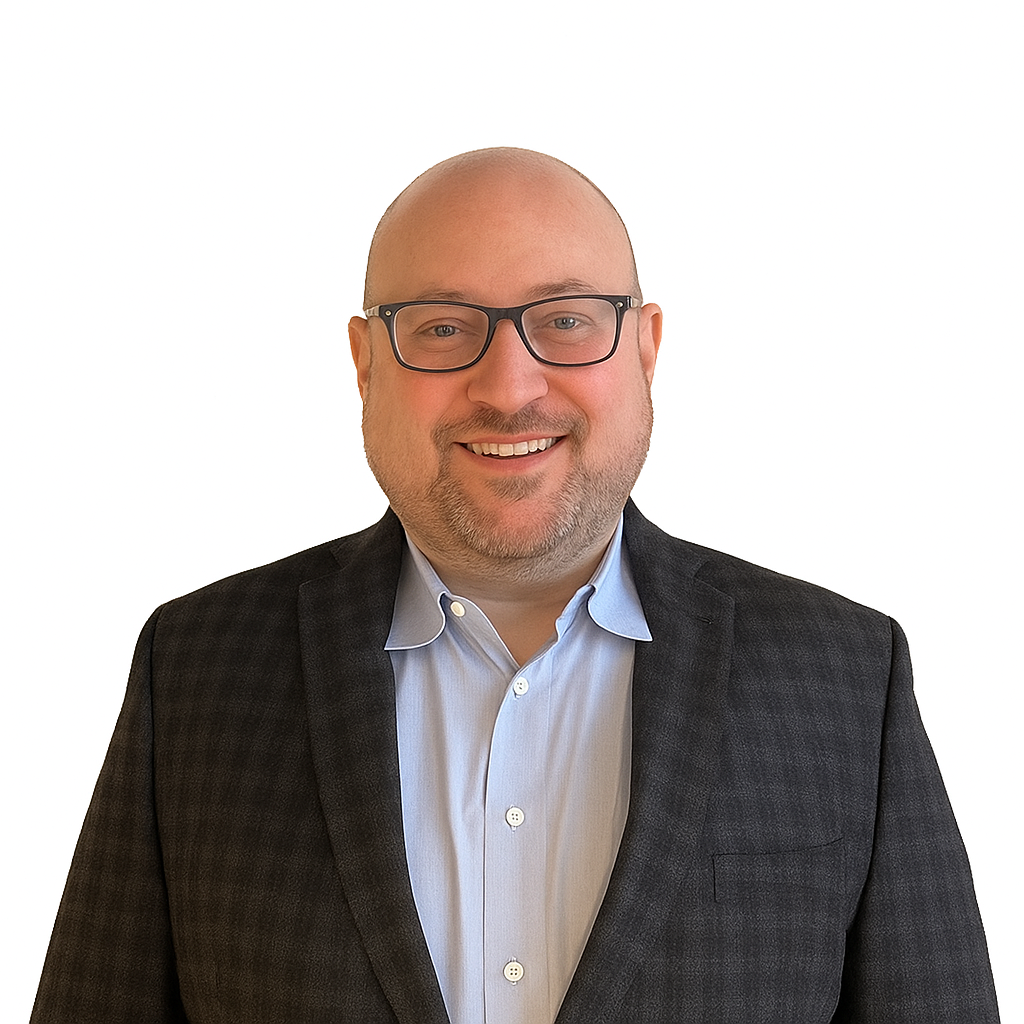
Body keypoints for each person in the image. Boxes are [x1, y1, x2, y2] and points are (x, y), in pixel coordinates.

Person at [31, 148, 999, 1023]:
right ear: (365, 364)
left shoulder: (844, 674)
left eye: (566, 321)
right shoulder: (195, 669)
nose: (509, 386)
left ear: (646, 347)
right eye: (442, 327)